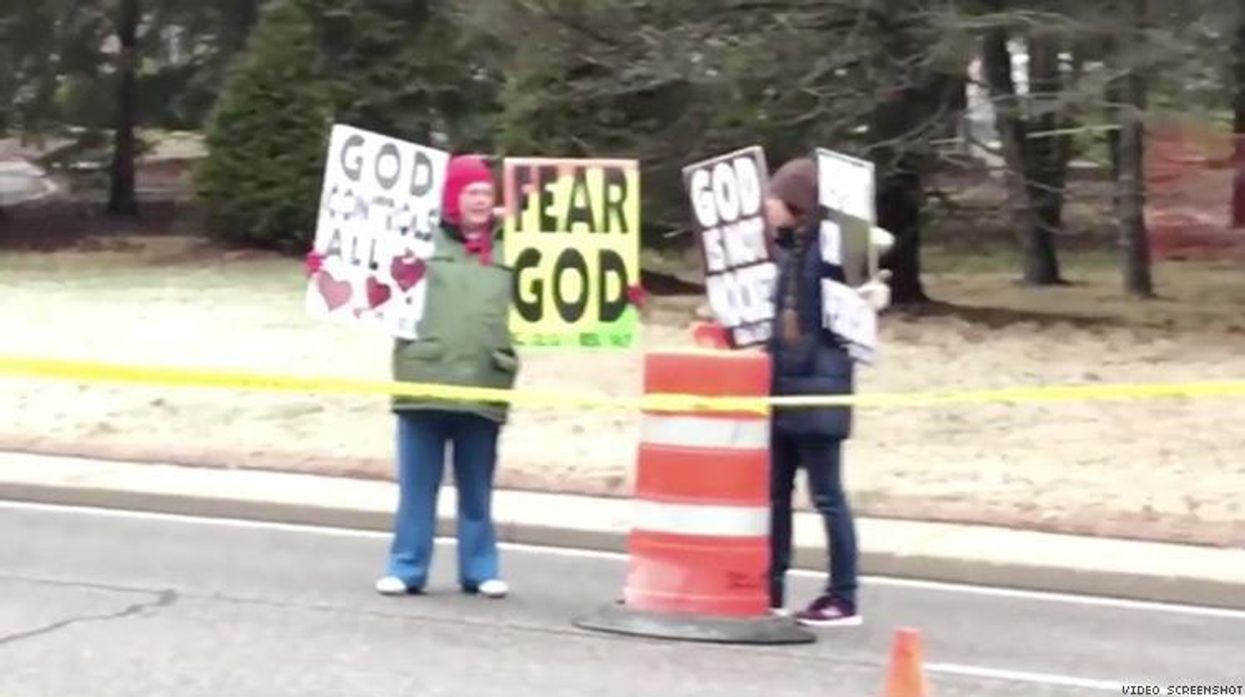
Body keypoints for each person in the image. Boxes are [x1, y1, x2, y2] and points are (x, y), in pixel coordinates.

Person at [308, 154, 518, 598]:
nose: (481, 200)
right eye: (472, 191)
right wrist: (328, 271)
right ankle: (406, 568)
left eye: (486, 192)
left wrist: (614, 301)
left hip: (485, 382)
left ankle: (480, 570)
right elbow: (371, 283)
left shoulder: (513, 249)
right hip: (423, 380)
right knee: (416, 490)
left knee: (478, 489)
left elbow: (552, 304)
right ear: (452, 196)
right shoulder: (414, 242)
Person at [761, 156, 891, 627]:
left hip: (816, 387)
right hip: (784, 388)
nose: (766, 208)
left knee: (828, 496)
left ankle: (842, 595)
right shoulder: (792, 251)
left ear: (794, 201)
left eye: (773, 199)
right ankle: (770, 586)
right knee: (774, 495)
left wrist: (871, 285)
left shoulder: (825, 252)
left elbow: (854, 289)